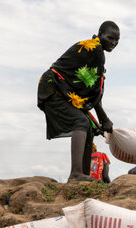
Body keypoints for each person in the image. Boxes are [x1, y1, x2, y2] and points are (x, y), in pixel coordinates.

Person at [37, 21, 120, 182]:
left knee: (88, 127)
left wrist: (97, 122)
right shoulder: (95, 50)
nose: (113, 43)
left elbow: (88, 91)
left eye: (117, 40)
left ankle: (83, 174)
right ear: (100, 34)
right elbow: (94, 92)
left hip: (62, 91)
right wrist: (104, 120)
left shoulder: (93, 51)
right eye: (110, 38)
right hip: (53, 88)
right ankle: (76, 174)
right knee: (80, 122)